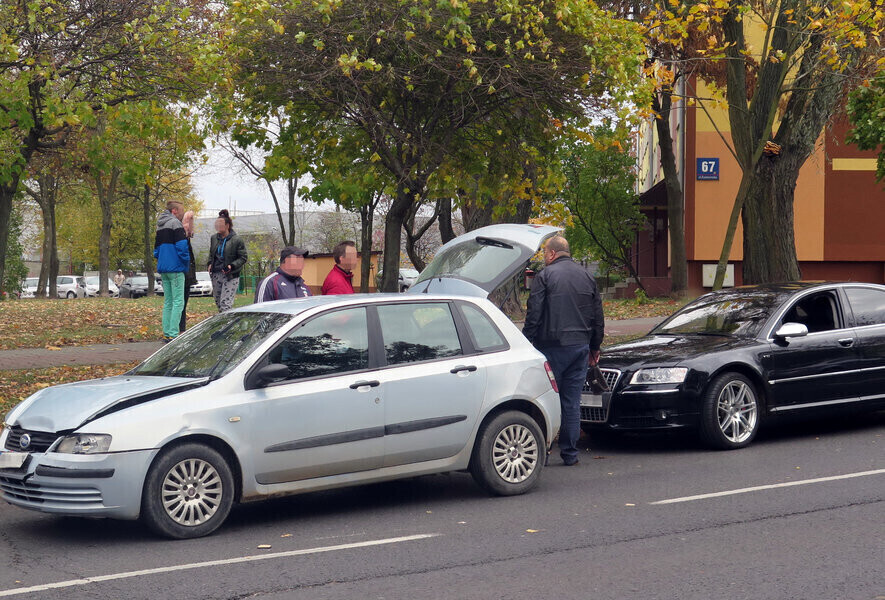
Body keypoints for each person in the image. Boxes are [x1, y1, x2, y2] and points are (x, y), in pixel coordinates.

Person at [522, 236, 604, 466]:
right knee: (571, 401)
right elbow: (598, 316)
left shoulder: (545, 276)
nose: (544, 257)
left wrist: (527, 344)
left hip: (551, 347)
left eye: (544, 253)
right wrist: (595, 347)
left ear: (551, 253)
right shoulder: (587, 276)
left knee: (544, 400)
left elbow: (534, 314)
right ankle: (570, 454)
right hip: (579, 347)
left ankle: (542, 454)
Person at [153, 201, 190, 342]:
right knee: (178, 301)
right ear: (174, 211)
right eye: (181, 211)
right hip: (175, 267)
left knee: (168, 301)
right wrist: (186, 261)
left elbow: (156, 250)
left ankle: (167, 332)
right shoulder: (175, 224)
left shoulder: (160, 225)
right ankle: (174, 334)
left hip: (164, 267)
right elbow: (182, 246)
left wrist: (163, 258)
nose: (182, 214)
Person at [207, 209, 247, 312]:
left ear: (227, 225)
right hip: (216, 273)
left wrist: (232, 266)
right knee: (218, 303)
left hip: (230, 275)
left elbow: (243, 257)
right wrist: (210, 263)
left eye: (221, 224)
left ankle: (226, 326)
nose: (218, 226)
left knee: (225, 304)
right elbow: (211, 254)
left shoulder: (237, 240)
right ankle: (223, 323)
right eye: (217, 224)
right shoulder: (214, 238)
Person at [179, 210, 197, 333]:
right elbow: (184, 255)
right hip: (183, 273)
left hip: (187, 274)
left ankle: (181, 328)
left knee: (182, 302)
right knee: (180, 302)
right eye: (190, 223)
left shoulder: (186, 237)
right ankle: (179, 329)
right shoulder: (181, 236)